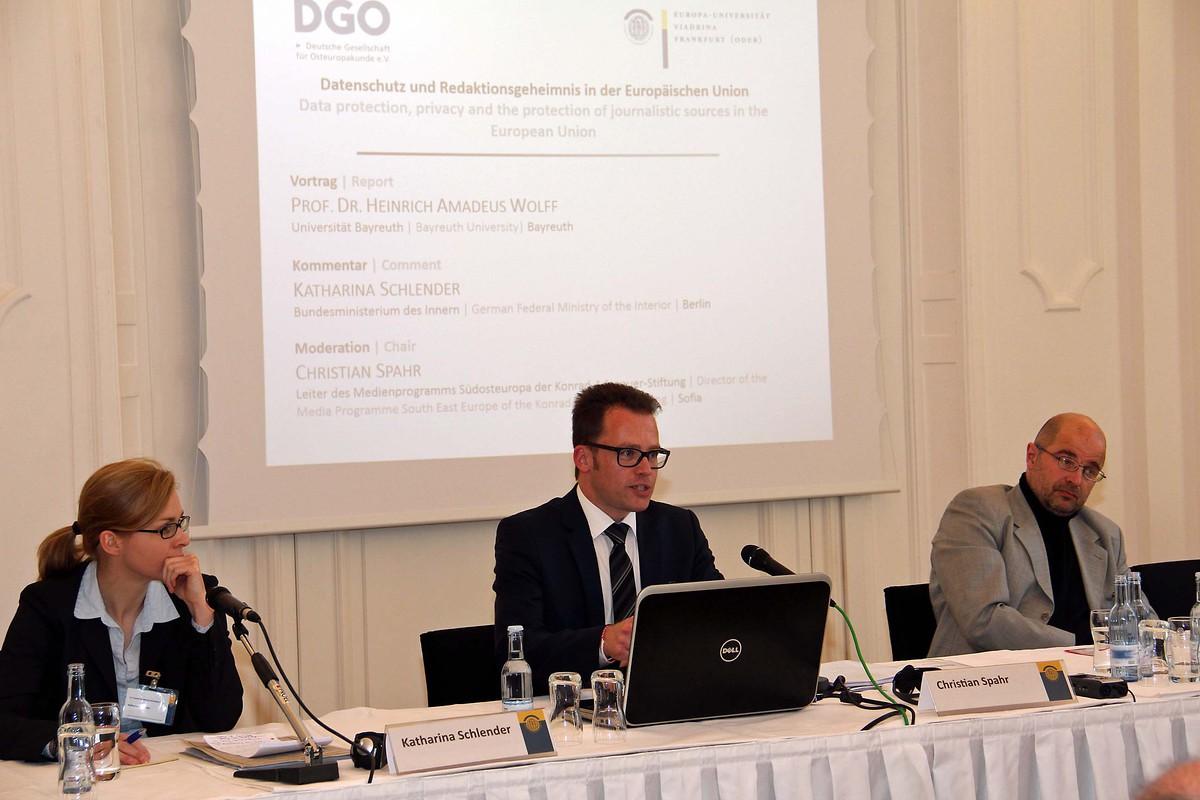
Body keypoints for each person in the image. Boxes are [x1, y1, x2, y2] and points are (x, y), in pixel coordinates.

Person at [0, 459, 243, 762]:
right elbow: (5, 721)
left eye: (180, 523)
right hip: (84, 778)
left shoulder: (190, 598)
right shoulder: (49, 607)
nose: (183, 539)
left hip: (168, 773)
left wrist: (201, 615)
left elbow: (220, 717)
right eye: (166, 528)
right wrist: (77, 742)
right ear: (112, 541)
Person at [493, 382, 723, 691]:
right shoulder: (530, 536)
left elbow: (719, 620)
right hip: (576, 710)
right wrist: (604, 642)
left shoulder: (679, 528)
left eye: (652, 454)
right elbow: (518, 650)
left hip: (668, 699)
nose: (646, 469)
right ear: (584, 459)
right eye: (628, 453)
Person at [928, 412, 1127, 656]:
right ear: (1032, 456)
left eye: (1089, 471)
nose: (1076, 479)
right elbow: (984, 621)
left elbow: (1134, 620)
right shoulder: (977, 510)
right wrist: (1081, 646)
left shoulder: (1106, 535)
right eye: (1066, 461)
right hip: (989, 674)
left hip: (1086, 674)